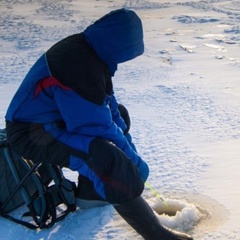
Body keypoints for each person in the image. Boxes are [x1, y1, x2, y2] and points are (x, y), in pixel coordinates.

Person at [5, 8, 193, 240]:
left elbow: (109, 107)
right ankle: (156, 235)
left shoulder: (91, 52)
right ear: (117, 45)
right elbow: (95, 129)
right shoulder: (77, 65)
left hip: (56, 122)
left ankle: (90, 194)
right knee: (105, 156)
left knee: (120, 117)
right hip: (31, 132)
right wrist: (132, 168)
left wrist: (131, 156)